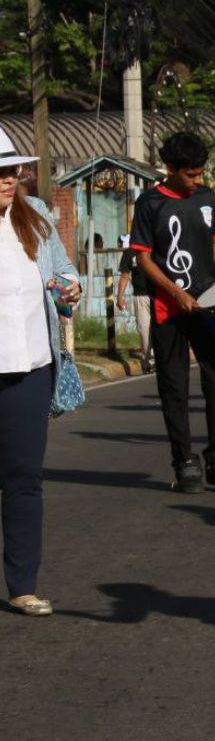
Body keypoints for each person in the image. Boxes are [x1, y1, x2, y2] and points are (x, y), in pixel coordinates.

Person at [130, 132, 215, 493]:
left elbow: (211, 247)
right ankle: (183, 460)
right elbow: (144, 259)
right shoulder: (150, 203)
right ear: (171, 168)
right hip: (170, 307)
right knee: (174, 387)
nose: (198, 180)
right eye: (191, 174)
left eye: (200, 174)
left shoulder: (206, 198)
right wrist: (176, 293)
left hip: (208, 302)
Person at [0, 136, 80, 616]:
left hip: (31, 368)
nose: (9, 179)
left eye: (12, 170)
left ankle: (22, 585)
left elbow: (67, 272)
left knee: (24, 479)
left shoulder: (35, 217)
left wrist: (67, 289)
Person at [117, 237, 155, 373]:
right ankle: (148, 362)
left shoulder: (157, 247)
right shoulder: (129, 253)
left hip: (159, 296)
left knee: (159, 331)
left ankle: (159, 360)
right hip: (140, 296)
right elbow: (125, 276)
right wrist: (119, 296)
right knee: (144, 331)